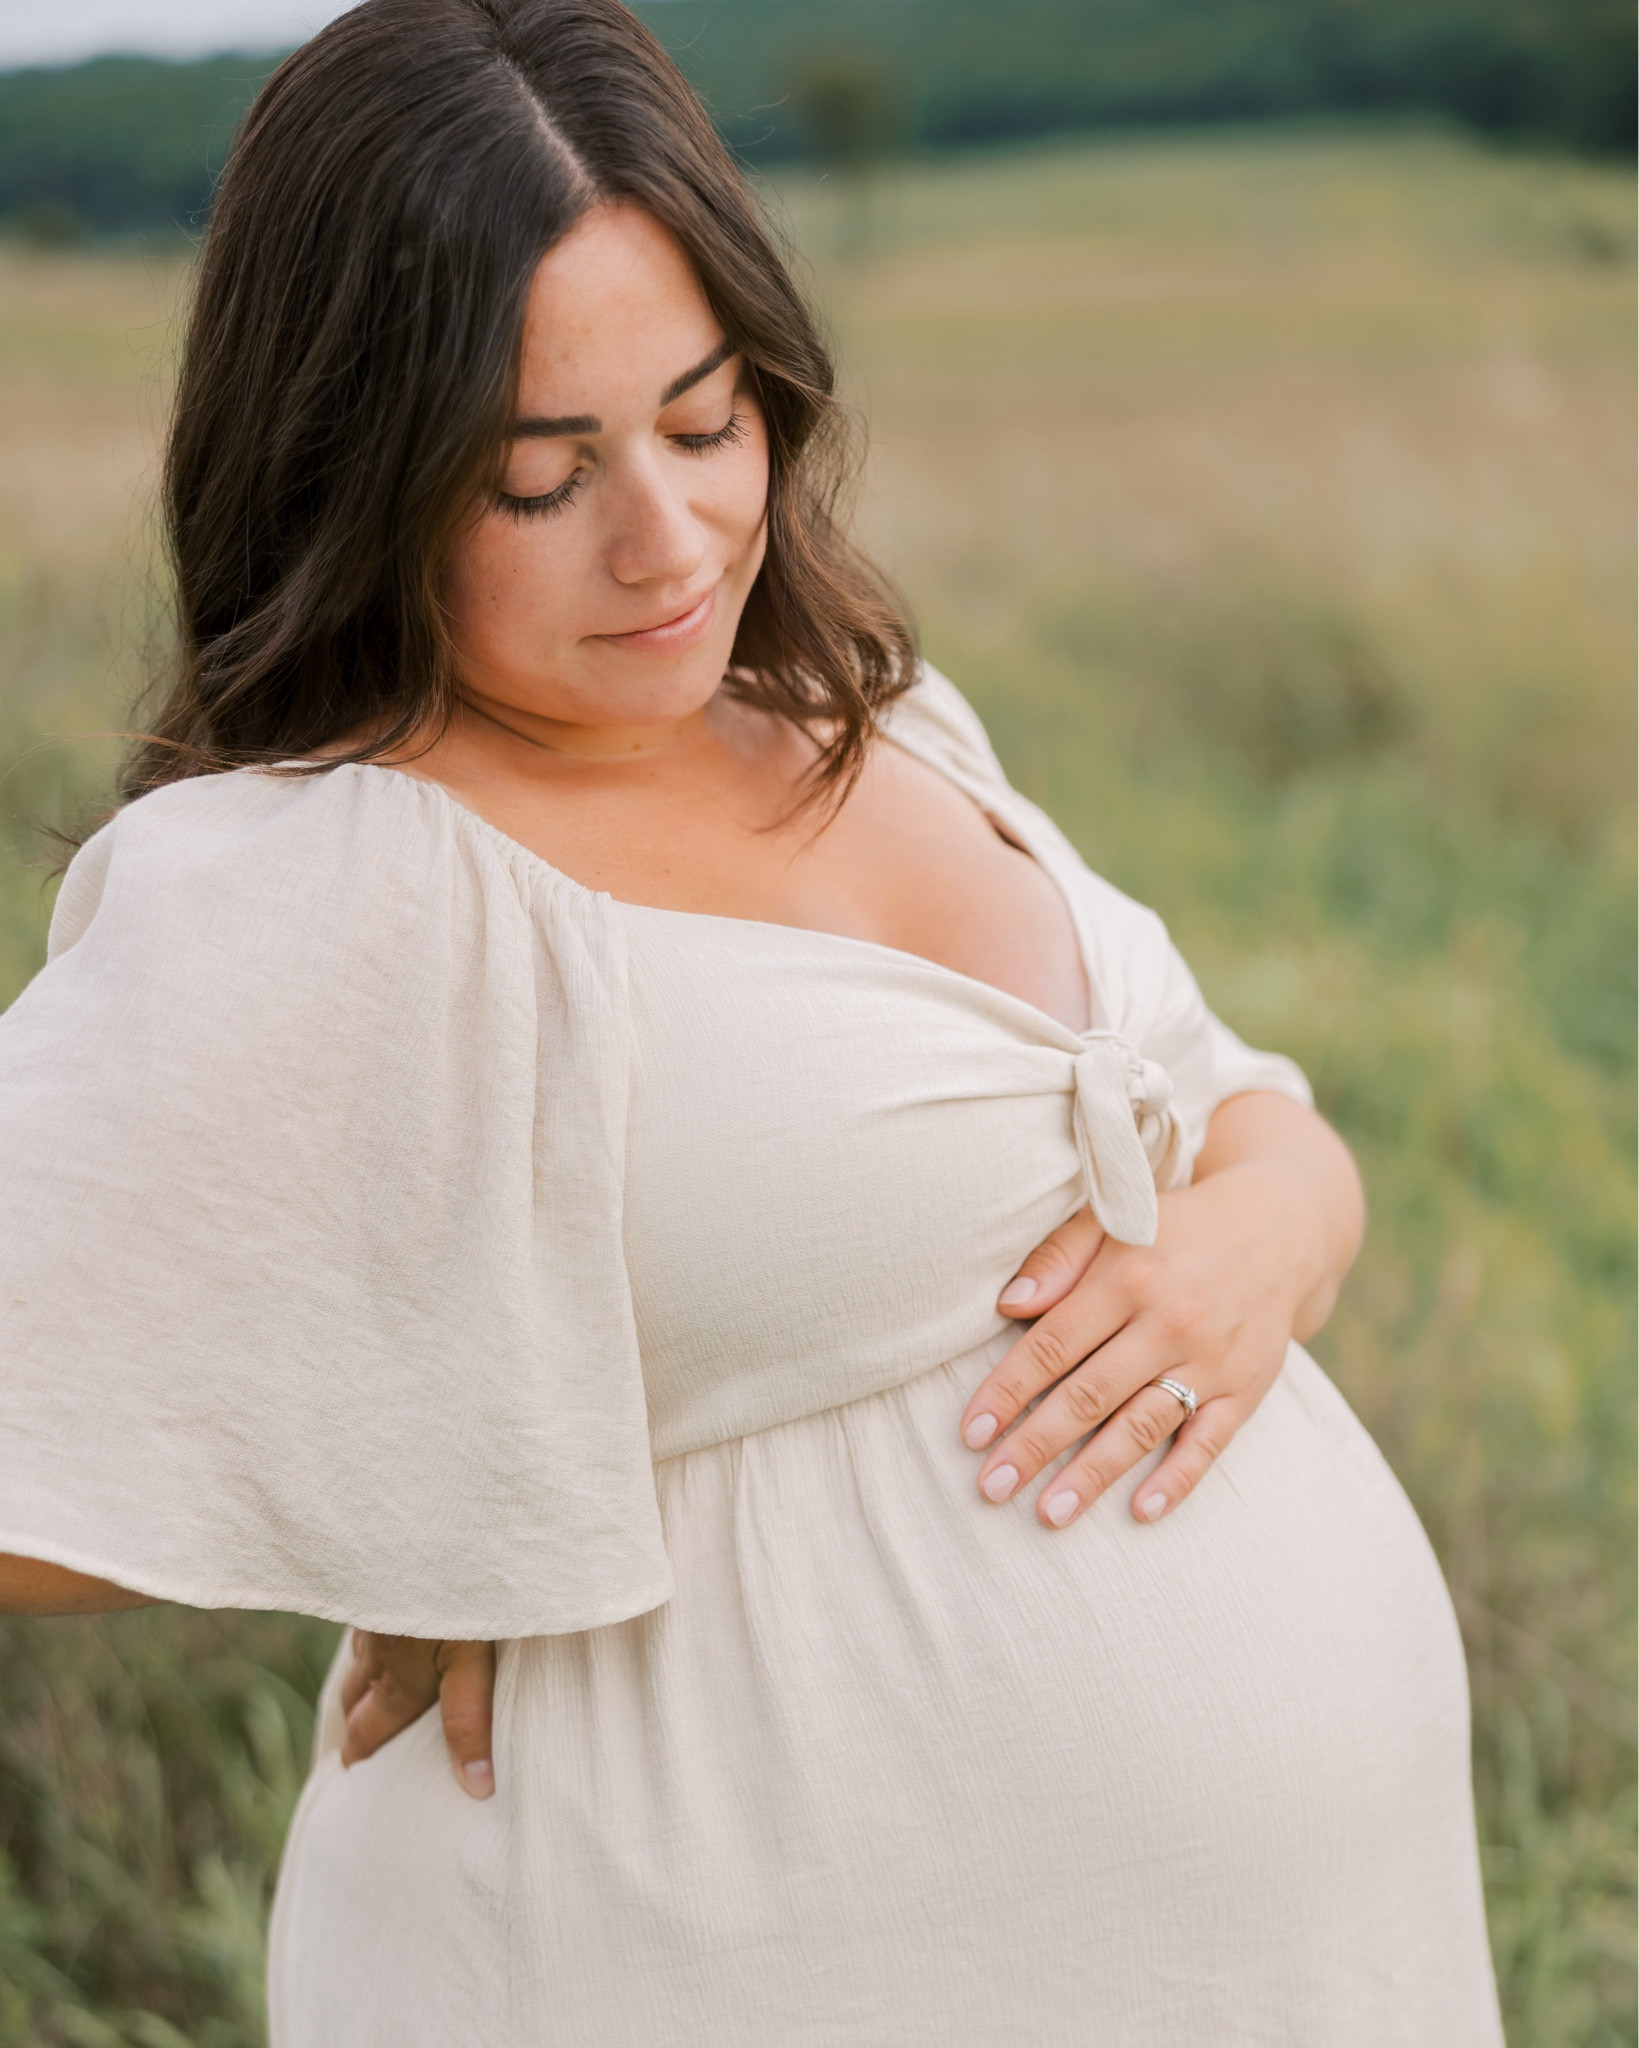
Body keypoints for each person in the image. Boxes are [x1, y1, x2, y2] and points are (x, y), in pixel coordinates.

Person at [0, 1, 1504, 2040]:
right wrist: (398, 1476)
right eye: (540, 477)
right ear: (353, 473)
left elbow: (1234, 1106)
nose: (671, 538)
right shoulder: (331, 878)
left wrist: (1267, 1236)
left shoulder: (875, 716)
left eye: (705, 427)